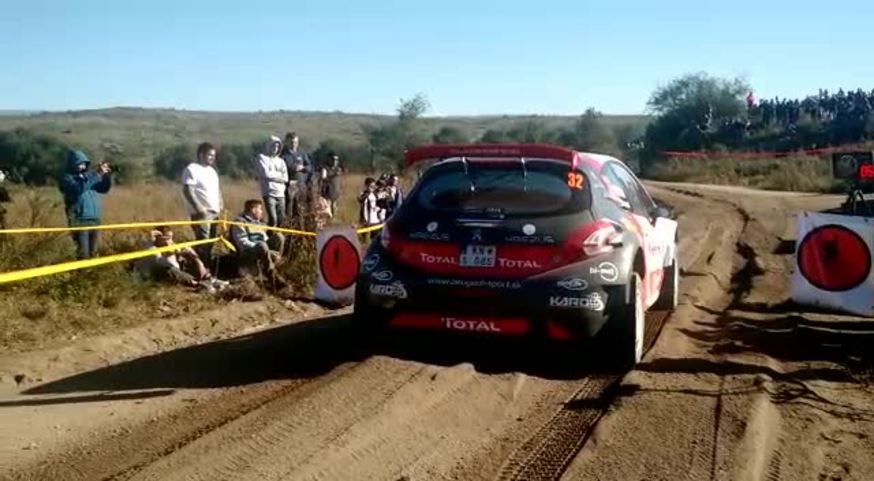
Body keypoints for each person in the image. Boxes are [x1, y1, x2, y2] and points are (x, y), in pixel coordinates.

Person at [59, 149, 112, 259]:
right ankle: (82, 275)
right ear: (72, 164)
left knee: (93, 253)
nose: (82, 166)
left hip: (94, 220)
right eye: (79, 164)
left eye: (84, 164)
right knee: (83, 254)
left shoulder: (89, 177)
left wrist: (106, 175)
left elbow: (104, 188)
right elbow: (79, 188)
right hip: (79, 220)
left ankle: (92, 274)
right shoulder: (67, 179)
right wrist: (97, 174)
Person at [144, 226, 228, 291]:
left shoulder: (172, 245)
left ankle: (209, 279)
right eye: (166, 238)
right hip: (153, 277)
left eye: (171, 238)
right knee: (170, 270)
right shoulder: (151, 248)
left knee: (187, 259)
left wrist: (194, 257)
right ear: (158, 238)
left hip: (173, 272)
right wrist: (171, 254)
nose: (170, 242)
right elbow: (163, 264)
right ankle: (198, 284)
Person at [229, 199, 287, 288]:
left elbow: (265, 239)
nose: (262, 212)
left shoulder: (258, 222)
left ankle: (274, 267)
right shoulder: (239, 222)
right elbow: (242, 243)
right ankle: (272, 276)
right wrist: (265, 250)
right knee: (261, 245)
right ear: (253, 210)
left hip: (261, 250)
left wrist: (268, 251)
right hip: (245, 254)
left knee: (279, 237)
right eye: (260, 209)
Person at [181, 142, 223, 264]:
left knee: (212, 240)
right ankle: (199, 267)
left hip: (215, 211)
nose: (212, 158)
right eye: (209, 155)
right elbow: (188, 190)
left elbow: (217, 189)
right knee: (203, 241)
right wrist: (199, 207)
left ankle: (204, 264)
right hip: (201, 212)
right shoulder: (192, 169)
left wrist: (221, 202)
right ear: (201, 154)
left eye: (213, 155)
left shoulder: (212, 171)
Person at [254, 135, 288, 228]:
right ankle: (269, 237)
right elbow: (266, 173)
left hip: (280, 193)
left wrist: (273, 176)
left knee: (281, 219)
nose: (275, 148)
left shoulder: (281, 161)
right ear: (268, 145)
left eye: (277, 146)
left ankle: (278, 239)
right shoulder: (262, 158)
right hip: (269, 193)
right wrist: (278, 176)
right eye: (273, 146)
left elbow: (285, 178)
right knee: (273, 219)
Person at [281, 132, 313, 225]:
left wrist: (303, 168)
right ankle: (289, 230)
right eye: (291, 142)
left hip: (301, 184)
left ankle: (300, 229)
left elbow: (310, 167)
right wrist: (291, 168)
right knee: (289, 209)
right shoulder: (283, 154)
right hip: (289, 185)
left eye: (295, 142)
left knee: (300, 209)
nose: (294, 144)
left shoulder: (302, 153)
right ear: (287, 142)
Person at [320, 153, 343, 217]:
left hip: (336, 190)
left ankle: (334, 218)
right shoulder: (325, 168)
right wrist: (333, 174)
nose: (335, 161)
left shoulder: (338, 169)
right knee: (328, 207)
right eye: (333, 160)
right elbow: (323, 178)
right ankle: (329, 220)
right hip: (328, 190)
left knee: (335, 206)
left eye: (336, 160)